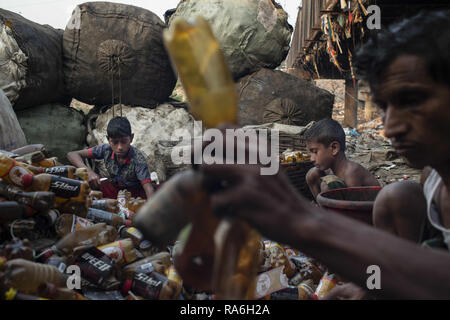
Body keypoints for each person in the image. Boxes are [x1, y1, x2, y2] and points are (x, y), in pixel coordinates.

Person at [196, 10, 450, 299]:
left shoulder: (353, 173)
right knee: (399, 195)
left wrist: (303, 221)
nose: (390, 128)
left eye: (412, 100)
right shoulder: (432, 179)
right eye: (385, 107)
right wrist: (371, 286)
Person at [67, 116, 155, 199]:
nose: (119, 147)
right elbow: (72, 154)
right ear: (108, 139)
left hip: (134, 193)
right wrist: (88, 172)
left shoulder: (138, 158)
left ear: (131, 138)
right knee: (87, 185)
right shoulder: (105, 149)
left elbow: (148, 188)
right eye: (115, 142)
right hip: (115, 189)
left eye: (124, 141)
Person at [304, 118, 380, 199]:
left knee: (327, 186)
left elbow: (354, 206)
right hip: (343, 206)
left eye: (315, 152)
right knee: (312, 173)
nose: (311, 159)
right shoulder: (329, 170)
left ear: (334, 148)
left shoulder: (352, 172)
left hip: (368, 209)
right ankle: (320, 207)